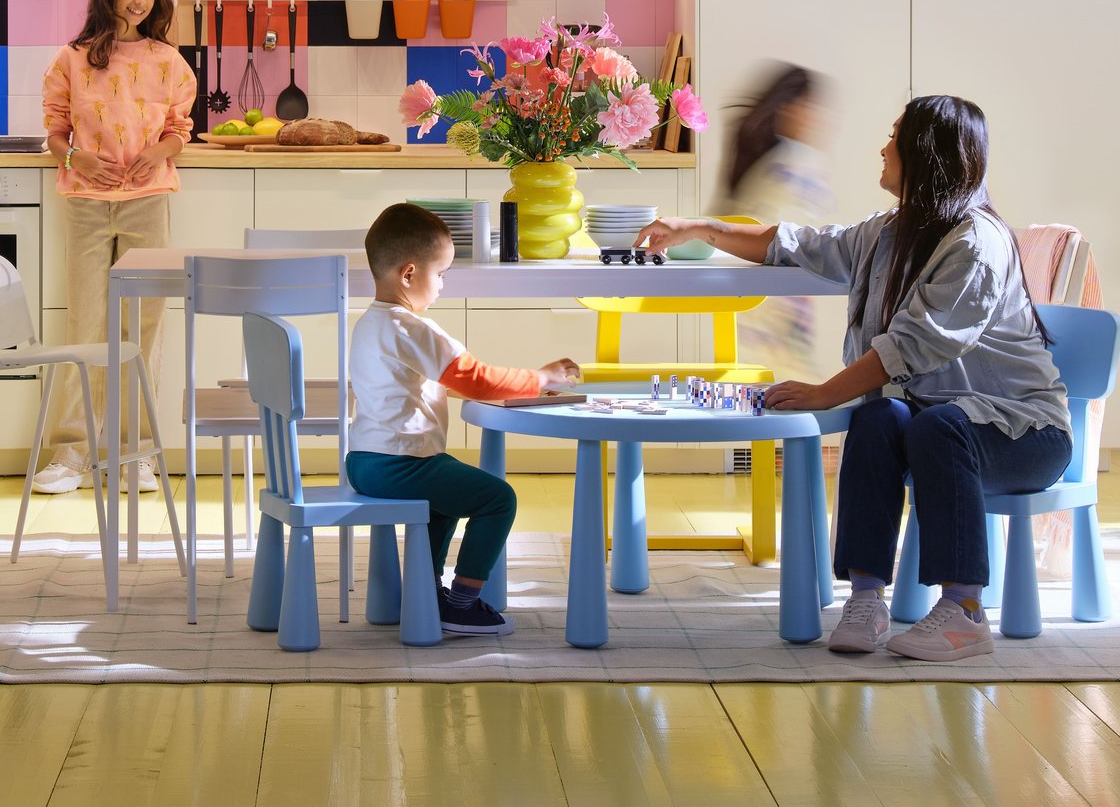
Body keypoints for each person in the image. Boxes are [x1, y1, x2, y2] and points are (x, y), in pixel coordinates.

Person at [639, 95, 1071, 663]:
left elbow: (910, 346)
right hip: (939, 431)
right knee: (878, 414)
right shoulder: (890, 232)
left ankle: (964, 612)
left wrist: (823, 394)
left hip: (1024, 435)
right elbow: (796, 244)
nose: (883, 148)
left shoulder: (977, 244)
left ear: (924, 152)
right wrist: (698, 228)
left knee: (934, 424)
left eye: (895, 136)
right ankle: (865, 599)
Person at [346, 202, 581, 637]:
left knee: (448, 494)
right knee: (497, 499)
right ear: (409, 274)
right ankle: (462, 603)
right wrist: (540, 378)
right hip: (402, 463)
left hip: (364, 461)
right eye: (441, 274)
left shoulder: (368, 324)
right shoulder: (413, 328)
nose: (442, 285)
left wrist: (494, 387)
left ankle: (427, 589)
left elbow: (410, 384)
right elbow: (476, 379)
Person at [37, 0, 196, 494]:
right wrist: (74, 157)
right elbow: (55, 131)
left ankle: (137, 454)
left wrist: (160, 152)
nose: (141, 1)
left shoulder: (168, 60)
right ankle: (71, 452)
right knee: (84, 325)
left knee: (144, 327)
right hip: (86, 200)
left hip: (147, 199)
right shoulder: (71, 59)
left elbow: (180, 128)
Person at [717, 63, 833, 376]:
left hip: (749, 292)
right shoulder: (796, 161)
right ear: (790, 107)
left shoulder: (759, 160)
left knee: (761, 377)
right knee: (788, 379)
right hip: (783, 291)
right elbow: (809, 235)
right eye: (810, 106)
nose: (816, 117)